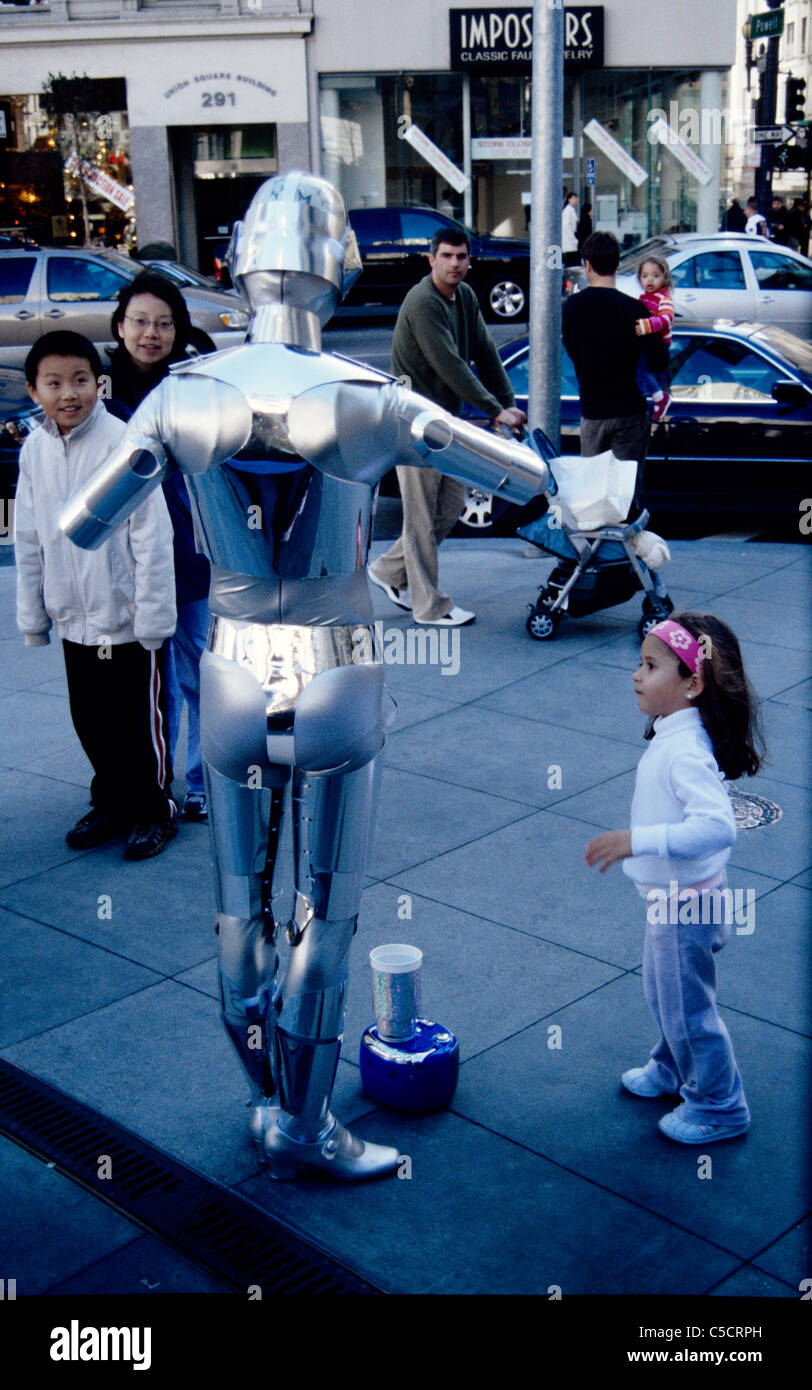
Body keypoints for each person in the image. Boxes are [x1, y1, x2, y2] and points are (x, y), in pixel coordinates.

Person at [61, 173, 548, 1181]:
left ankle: (266, 1097)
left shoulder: (183, 397)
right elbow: (527, 479)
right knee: (325, 914)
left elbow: (84, 521)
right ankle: (306, 1123)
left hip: (234, 669)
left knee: (240, 912)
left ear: (240, 265)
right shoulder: (368, 398)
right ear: (336, 270)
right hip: (335, 672)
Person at [585, 613, 764, 1145]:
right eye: (640, 663)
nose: (636, 675)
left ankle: (720, 1105)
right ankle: (671, 1070)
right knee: (666, 995)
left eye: (650, 665)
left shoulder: (686, 750)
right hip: (673, 900)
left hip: (686, 906)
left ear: (693, 682)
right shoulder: (676, 732)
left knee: (688, 1008)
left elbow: (716, 827)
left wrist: (636, 841)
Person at [15, 330, 177, 860]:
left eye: (81, 380)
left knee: (139, 722)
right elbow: (29, 533)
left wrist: (152, 616)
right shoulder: (35, 449)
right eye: (54, 383)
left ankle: (155, 811)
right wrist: (34, 614)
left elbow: (152, 537)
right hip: (74, 618)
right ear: (33, 390)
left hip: (125, 618)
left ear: (99, 383)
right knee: (92, 719)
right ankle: (111, 803)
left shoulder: (123, 443)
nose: (69, 394)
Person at [368, 226, 526, 626]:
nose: (455, 263)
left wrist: (507, 403)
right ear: (431, 259)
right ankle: (429, 607)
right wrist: (492, 409)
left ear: (470, 260)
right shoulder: (423, 302)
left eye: (461, 256)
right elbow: (451, 365)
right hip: (413, 426)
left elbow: (486, 354)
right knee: (420, 517)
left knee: (451, 506)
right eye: (447, 256)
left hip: (443, 426)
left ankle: (388, 571)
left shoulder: (466, 298)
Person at [105, 271, 212, 823]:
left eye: (164, 323)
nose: (152, 333)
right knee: (148, 688)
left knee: (199, 675)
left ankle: (198, 781)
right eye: (140, 321)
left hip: (191, 559)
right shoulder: (99, 393)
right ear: (120, 325)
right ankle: (152, 786)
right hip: (129, 567)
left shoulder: (191, 385)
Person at [562, 230, 651, 470]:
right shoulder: (636, 309)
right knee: (625, 492)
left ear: (587, 265)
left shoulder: (573, 307)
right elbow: (656, 359)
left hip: (593, 410)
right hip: (630, 410)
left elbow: (571, 349)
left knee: (593, 490)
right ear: (617, 266)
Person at [634, 254, 674, 423]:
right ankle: (647, 394)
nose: (650, 280)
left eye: (655, 276)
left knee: (639, 369)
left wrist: (645, 326)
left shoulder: (664, 298)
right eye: (645, 276)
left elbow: (666, 319)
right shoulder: (644, 299)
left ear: (665, 277)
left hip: (658, 345)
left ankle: (659, 396)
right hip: (648, 343)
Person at [561, 191, 580, 268]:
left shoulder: (571, 210)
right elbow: (566, 227)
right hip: (569, 242)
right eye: (575, 198)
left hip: (571, 242)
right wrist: (573, 239)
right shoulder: (567, 211)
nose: (577, 200)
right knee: (571, 265)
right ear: (569, 199)